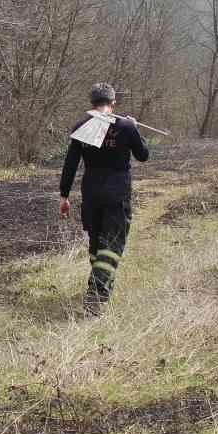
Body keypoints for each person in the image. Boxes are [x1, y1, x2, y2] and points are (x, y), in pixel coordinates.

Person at [59, 83, 149, 314]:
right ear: (113, 102)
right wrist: (135, 128)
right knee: (112, 245)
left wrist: (64, 195)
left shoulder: (81, 127)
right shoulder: (126, 126)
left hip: (91, 192)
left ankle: (99, 285)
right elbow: (143, 155)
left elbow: (70, 165)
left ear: (92, 102)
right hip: (117, 193)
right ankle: (96, 296)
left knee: (97, 243)